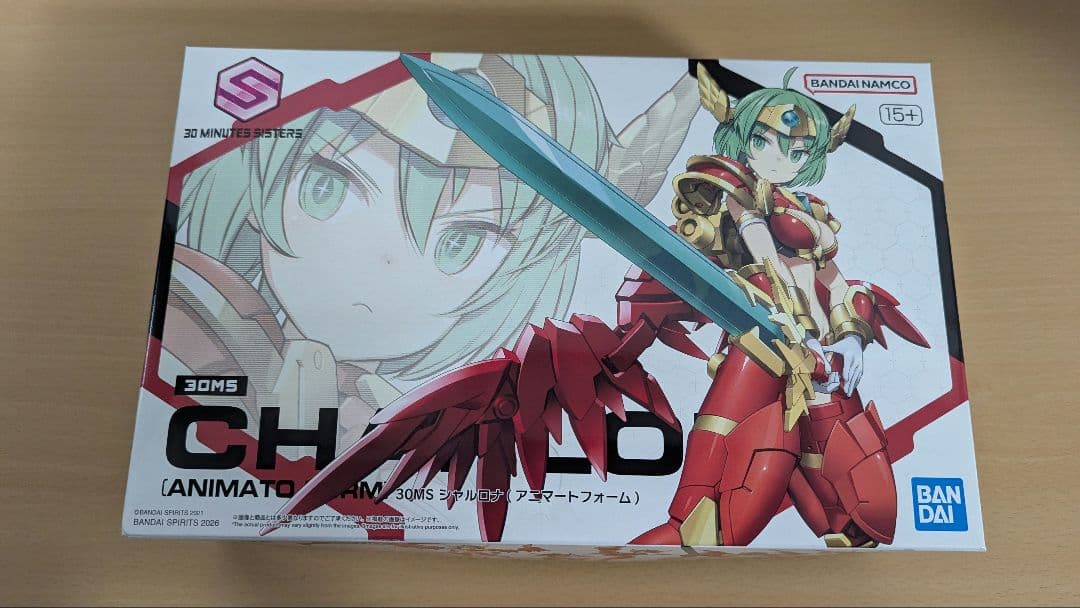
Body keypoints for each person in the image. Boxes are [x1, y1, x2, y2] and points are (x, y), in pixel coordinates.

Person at [160, 53, 700, 451]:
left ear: (516, 274)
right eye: (326, 187)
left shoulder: (453, 410)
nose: (379, 264)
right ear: (263, 188)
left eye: (459, 242)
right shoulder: (195, 313)